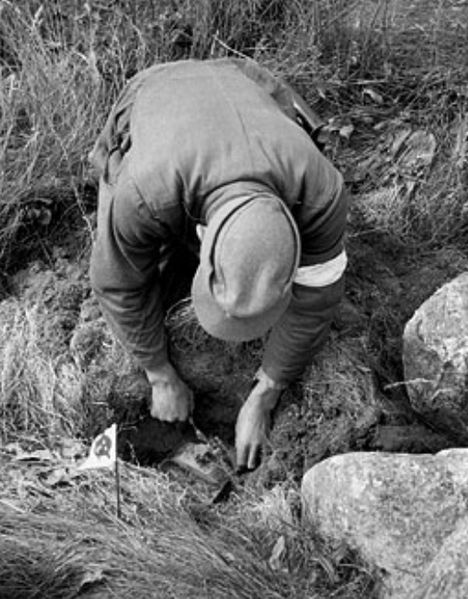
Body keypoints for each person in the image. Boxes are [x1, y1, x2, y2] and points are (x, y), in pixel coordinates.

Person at [88, 58, 349, 472]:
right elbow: (119, 285)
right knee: (132, 250)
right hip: (157, 91)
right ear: (201, 237)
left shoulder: (321, 193)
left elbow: (316, 299)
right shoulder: (142, 192)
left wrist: (266, 393)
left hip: (244, 82)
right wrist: (158, 374)